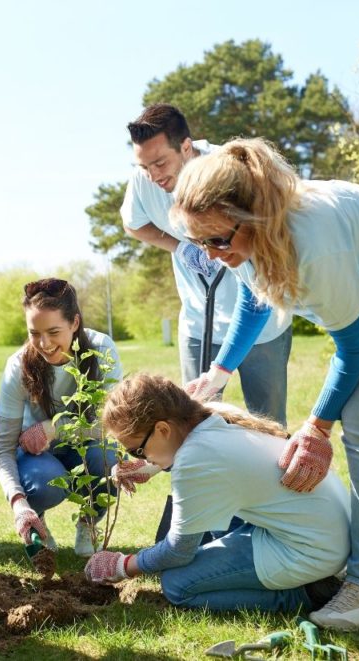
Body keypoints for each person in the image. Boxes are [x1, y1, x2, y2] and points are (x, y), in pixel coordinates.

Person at [171, 138, 359, 630]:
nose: (214, 253)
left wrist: (315, 428)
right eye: (201, 243)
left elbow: (355, 346)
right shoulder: (247, 240)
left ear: (253, 216)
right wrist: (220, 373)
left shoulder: (314, 241)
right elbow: (254, 298)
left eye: (219, 240)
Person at [84, 373, 349, 614]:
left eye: (136, 450)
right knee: (201, 545)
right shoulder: (211, 414)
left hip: (309, 550)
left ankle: (305, 593)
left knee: (177, 584)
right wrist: (149, 464)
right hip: (325, 530)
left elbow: (178, 552)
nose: (140, 457)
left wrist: (123, 565)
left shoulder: (194, 459)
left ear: (163, 429)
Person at [121, 103, 291, 424]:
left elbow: (261, 283)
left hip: (262, 329)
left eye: (160, 163)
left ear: (186, 147)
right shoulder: (145, 180)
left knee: (269, 424)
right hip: (201, 323)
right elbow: (133, 224)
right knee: (195, 423)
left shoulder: (229, 173)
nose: (153, 176)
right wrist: (180, 247)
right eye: (145, 167)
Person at [0, 278, 122, 558]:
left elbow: (110, 423)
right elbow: (2, 448)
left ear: (75, 323)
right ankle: (37, 520)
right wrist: (18, 504)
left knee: (109, 461)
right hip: (36, 457)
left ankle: (88, 523)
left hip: (85, 448)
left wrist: (54, 428)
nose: (44, 343)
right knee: (45, 482)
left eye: (53, 331)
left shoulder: (100, 350)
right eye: (34, 333)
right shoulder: (18, 367)